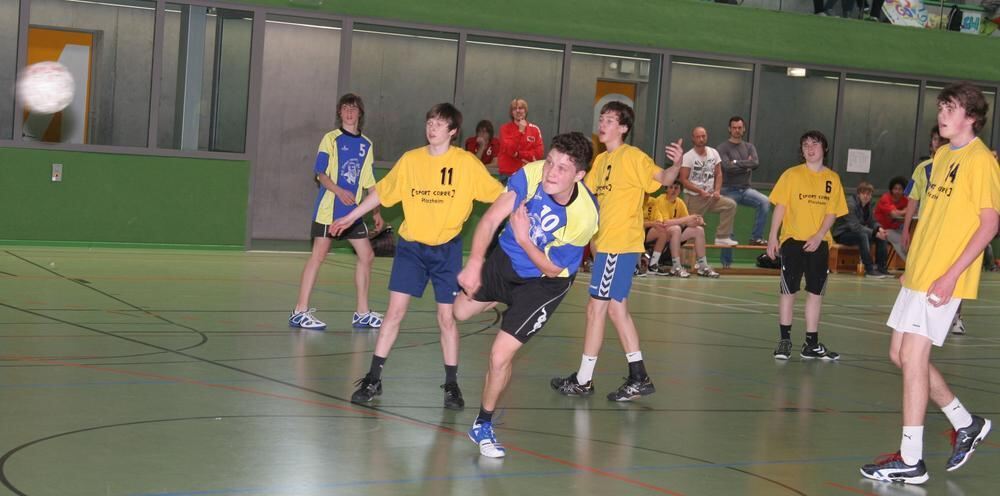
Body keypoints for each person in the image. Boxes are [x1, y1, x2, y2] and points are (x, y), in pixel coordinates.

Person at [860, 82, 999, 485]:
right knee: (899, 355)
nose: (942, 114)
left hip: (943, 276)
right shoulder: (940, 156)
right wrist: (914, 264)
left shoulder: (981, 162)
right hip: (920, 274)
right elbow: (935, 218)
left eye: (951, 108)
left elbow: (989, 224)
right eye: (941, 106)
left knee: (914, 359)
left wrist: (951, 275)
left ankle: (911, 459)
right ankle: (966, 422)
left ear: (970, 117)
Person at [330, 103, 504, 409]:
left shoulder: (466, 164)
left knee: (446, 318)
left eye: (439, 124)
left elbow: (501, 195)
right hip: (411, 249)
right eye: (429, 122)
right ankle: (373, 378)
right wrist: (350, 217)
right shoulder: (410, 161)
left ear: (452, 131)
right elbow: (382, 194)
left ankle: (452, 385)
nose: (432, 127)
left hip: (446, 250)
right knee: (394, 313)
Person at [454, 132, 598, 458]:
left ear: (579, 176)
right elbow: (491, 219)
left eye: (562, 168)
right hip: (506, 259)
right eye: (550, 162)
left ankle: (483, 425)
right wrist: (475, 262)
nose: (551, 172)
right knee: (459, 312)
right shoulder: (532, 174)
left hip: (543, 283)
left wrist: (524, 238)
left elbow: (550, 268)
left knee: (499, 355)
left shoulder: (585, 216)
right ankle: (496, 297)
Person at [550, 101, 684, 401]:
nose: (603, 124)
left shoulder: (633, 157)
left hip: (620, 245)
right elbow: (586, 196)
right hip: (606, 244)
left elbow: (663, 179)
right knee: (616, 310)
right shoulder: (600, 162)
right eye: (602, 118)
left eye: (610, 120)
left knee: (595, 309)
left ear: (623, 127)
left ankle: (584, 380)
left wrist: (676, 165)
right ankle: (639, 376)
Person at [289, 93, 384, 331]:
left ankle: (362, 313)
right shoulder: (330, 139)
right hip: (329, 210)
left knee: (367, 256)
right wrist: (339, 191)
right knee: (318, 256)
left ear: (360, 113)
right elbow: (320, 174)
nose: (349, 112)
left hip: (353, 213)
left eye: (353, 108)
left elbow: (370, 182)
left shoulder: (367, 144)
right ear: (339, 113)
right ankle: (299, 311)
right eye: (345, 108)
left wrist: (376, 213)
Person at [767, 130, 848, 361]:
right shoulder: (791, 175)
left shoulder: (833, 179)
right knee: (788, 291)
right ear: (801, 151)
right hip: (793, 241)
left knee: (815, 293)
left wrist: (819, 235)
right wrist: (773, 236)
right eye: (805, 145)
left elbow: (832, 212)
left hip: (819, 243)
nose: (810, 148)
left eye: (814, 144)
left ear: (824, 149)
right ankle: (784, 341)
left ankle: (811, 344)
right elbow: (780, 207)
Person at [679, 126, 739, 247]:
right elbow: (683, 180)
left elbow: (719, 173)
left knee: (730, 205)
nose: (701, 139)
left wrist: (717, 190)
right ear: (693, 139)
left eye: (703, 136)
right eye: (698, 137)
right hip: (694, 197)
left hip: (711, 196)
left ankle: (722, 237)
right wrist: (699, 191)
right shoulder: (688, 156)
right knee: (693, 229)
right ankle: (689, 262)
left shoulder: (713, 152)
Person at [644, 182, 718, 277]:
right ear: (666, 189)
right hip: (659, 232)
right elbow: (666, 222)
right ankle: (676, 266)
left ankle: (703, 266)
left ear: (680, 190)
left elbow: (687, 221)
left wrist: (697, 220)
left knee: (698, 230)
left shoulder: (679, 202)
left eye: (676, 188)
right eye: (671, 187)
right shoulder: (660, 200)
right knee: (676, 229)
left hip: (672, 234)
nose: (673, 190)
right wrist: (687, 219)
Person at [717, 116, 769, 246]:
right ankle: (728, 244)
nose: (737, 130)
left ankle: (756, 238)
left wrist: (735, 162)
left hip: (746, 189)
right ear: (729, 129)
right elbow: (727, 168)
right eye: (734, 128)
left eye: (739, 128)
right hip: (727, 189)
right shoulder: (722, 147)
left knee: (765, 201)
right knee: (729, 207)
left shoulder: (749, 147)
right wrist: (746, 166)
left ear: (743, 129)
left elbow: (755, 163)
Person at [831, 181, 890, 278]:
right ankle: (869, 269)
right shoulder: (850, 204)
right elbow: (855, 226)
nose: (866, 196)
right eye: (863, 193)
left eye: (869, 194)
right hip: (842, 234)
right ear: (858, 194)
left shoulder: (869, 205)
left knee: (882, 237)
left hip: (858, 232)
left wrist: (879, 229)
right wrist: (875, 233)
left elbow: (872, 221)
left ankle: (882, 268)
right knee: (863, 235)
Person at [497, 98, 544, 182]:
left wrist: (519, 154)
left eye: (521, 108)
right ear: (511, 113)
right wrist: (520, 131)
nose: (518, 111)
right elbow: (510, 150)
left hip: (528, 173)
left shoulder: (535, 129)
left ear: (525, 111)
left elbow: (539, 153)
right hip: (508, 174)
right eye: (514, 109)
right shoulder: (504, 129)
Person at [875, 176, 909, 260]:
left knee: (911, 238)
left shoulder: (905, 200)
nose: (897, 191)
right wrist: (905, 211)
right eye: (895, 188)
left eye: (900, 189)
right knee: (900, 239)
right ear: (891, 189)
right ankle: (909, 264)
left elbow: (914, 211)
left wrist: (903, 211)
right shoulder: (885, 198)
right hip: (881, 230)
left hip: (897, 229)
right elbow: (894, 214)